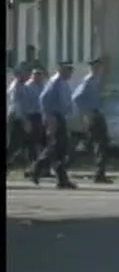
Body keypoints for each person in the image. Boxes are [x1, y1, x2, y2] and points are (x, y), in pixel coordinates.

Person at [29, 60, 77, 189]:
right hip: (54, 118)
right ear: (61, 70)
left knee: (60, 149)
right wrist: (50, 118)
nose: (70, 73)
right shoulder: (55, 82)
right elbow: (43, 99)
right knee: (55, 147)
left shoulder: (62, 83)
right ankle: (36, 169)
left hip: (60, 117)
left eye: (71, 70)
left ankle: (61, 179)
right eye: (68, 70)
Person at [72, 57, 111, 184]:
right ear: (93, 68)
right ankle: (99, 173)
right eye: (97, 67)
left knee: (97, 144)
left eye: (100, 67)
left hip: (98, 113)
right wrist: (86, 112)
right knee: (99, 144)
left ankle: (100, 172)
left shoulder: (95, 80)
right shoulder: (88, 80)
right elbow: (77, 97)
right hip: (93, 115)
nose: (99, 70)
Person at [7, 68, 31, 169]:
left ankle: (17, 162)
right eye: (26, 73)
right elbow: (17, 105)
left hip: (19, 116)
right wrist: (24, 121)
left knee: (22, 142)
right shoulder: (17, 86)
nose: (28, 75)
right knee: (14, 143)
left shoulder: (22, 85)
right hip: (16, 117)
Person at [24, 68, 47, 174]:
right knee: (32, 143)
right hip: (31, 116)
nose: (38, 77)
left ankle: (41, 168)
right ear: (32, 75)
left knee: (43, 142)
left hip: (41, 116)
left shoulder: (42, 85)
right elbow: (25, 103)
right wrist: (26, 119)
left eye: (40, 75)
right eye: (36, 75)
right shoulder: (28, 86)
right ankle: (32, 167)